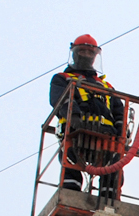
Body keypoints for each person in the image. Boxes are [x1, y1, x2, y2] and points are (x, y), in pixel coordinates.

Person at [49, 34, 125, 203]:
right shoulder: (63, 79)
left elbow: (119, 111)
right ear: (74, 54)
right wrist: (74, 115)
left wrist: (120, 134)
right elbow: (59, 99)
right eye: (82, 51)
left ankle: (109, 205)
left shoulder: (106, 86)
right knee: (71, 172)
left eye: (90, 53)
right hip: (76, 134)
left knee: (113, 170)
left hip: (105, 138)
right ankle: (70, 201)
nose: (86, 55)